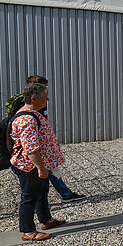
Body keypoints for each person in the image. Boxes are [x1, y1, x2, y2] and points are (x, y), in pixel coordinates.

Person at [10, 82, 67, 241]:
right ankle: (28, 231)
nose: (47, 99)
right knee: (29, 197)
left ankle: (46, 220)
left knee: (41, 192)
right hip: (30, 166)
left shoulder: (33, 113)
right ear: (34, 99)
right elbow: (31, 149)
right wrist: (41, 168)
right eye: (44, 96)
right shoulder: (27, 119)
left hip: (37, 165)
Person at [25, 75, 85, 203]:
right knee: (45, 171)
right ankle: (63, 195)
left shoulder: (39, 103)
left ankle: (60, 196)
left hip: (42, 144)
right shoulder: (30, 108)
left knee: (49, 170)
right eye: (45, 89)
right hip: (38, 146)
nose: (47, 96)